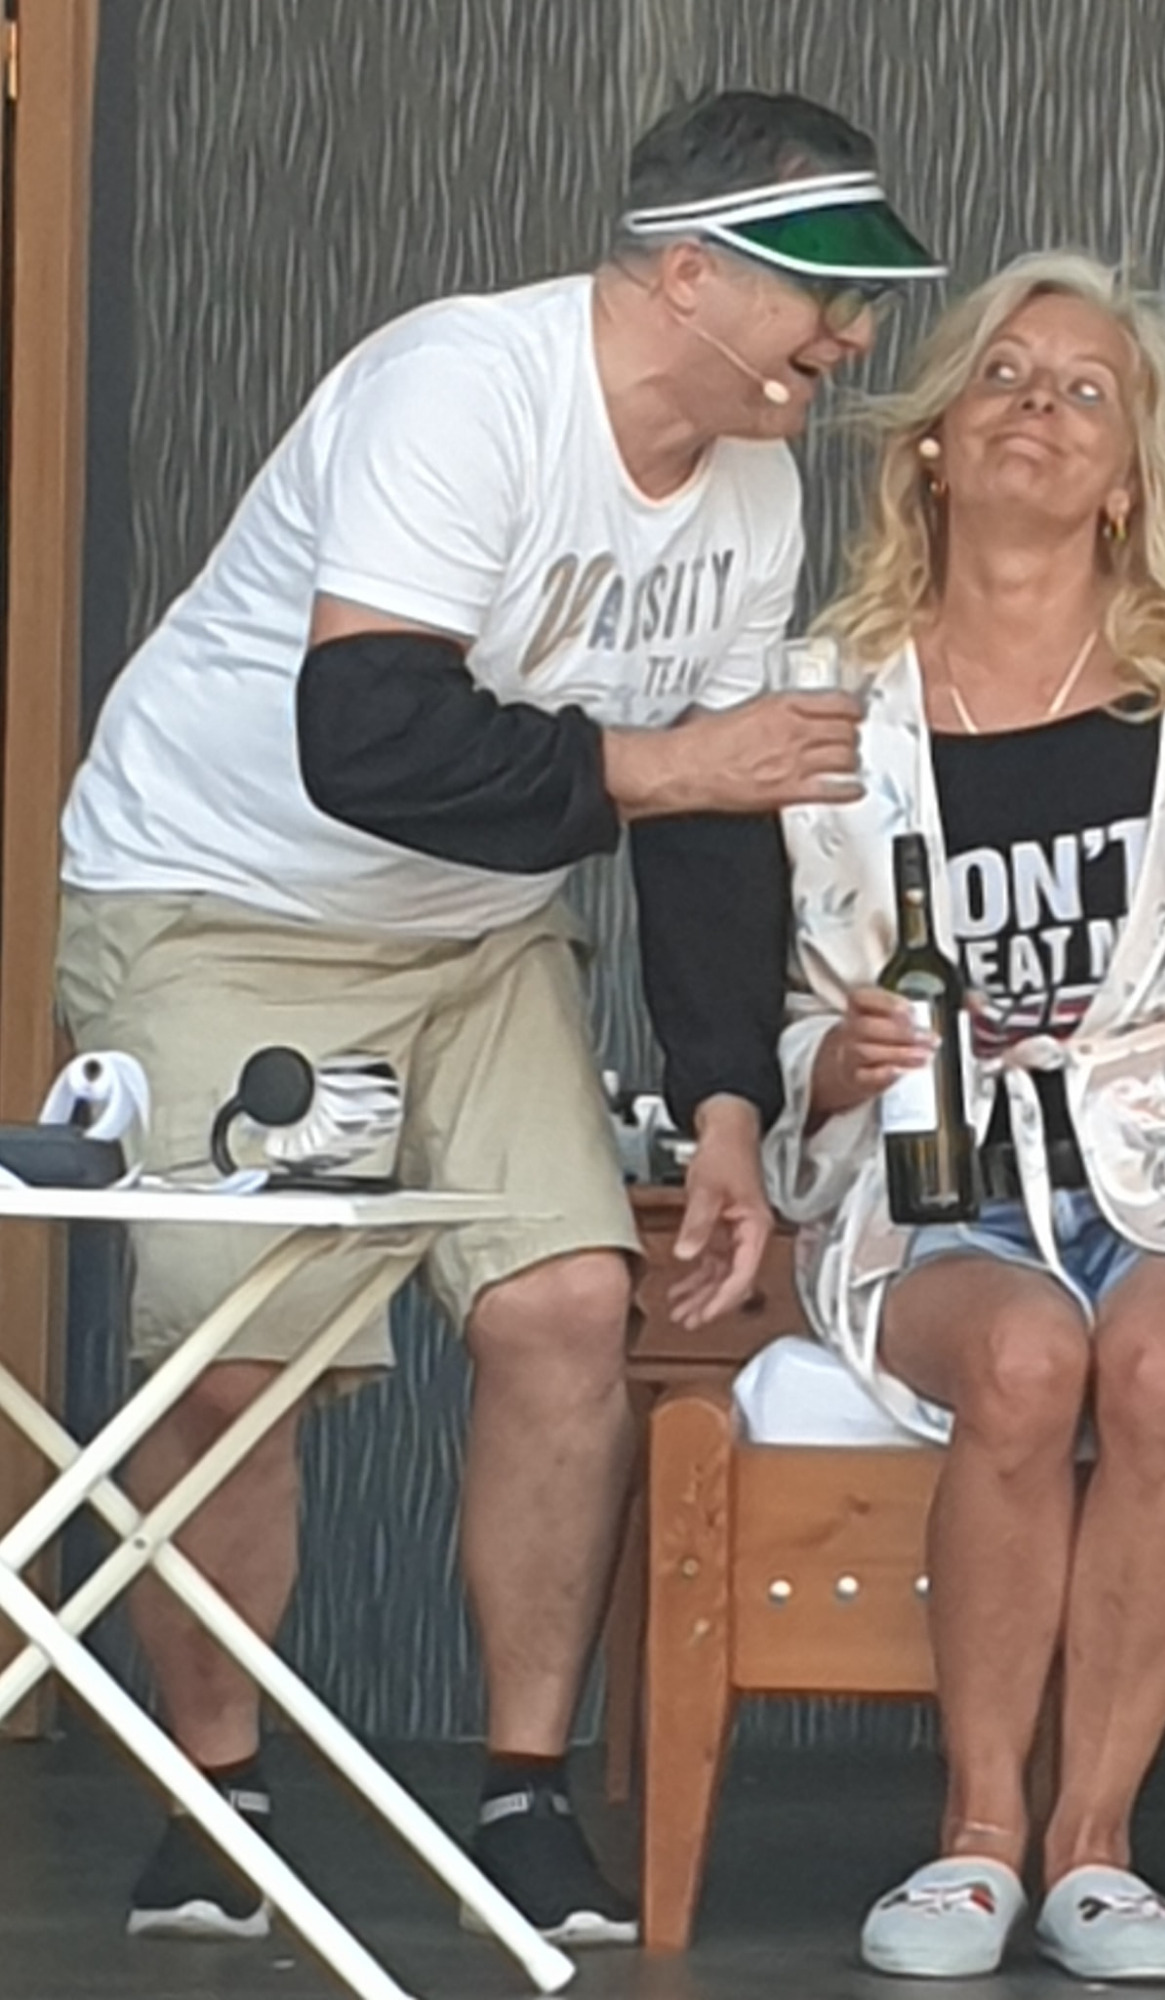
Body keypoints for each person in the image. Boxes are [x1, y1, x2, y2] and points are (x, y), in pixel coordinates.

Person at [57, 90, 944, 1946]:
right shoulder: (460, 389)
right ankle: (216, 1805)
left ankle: (524, 1800)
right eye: (823, 297)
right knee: (232, 1364)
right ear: (688, 276)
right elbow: (368, 736)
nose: (853, 342)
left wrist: (725, 1103)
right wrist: (669, 761)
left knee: (569, 1309)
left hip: (476, 936)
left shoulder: (755, 481)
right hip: (230, 897)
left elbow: (715, 820)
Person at [760, 250, 1165, 1984]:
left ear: (1125, 477)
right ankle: (975, 1840)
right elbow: (777, 1004)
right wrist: (838, 1061)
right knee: (1029, 1360)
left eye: (1085, 391)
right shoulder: (830, 698)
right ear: (935, 441)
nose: (1039, 407)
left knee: (1162, 1366)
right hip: (937, 1172)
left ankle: (1094, 1850)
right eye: (1005, 377)